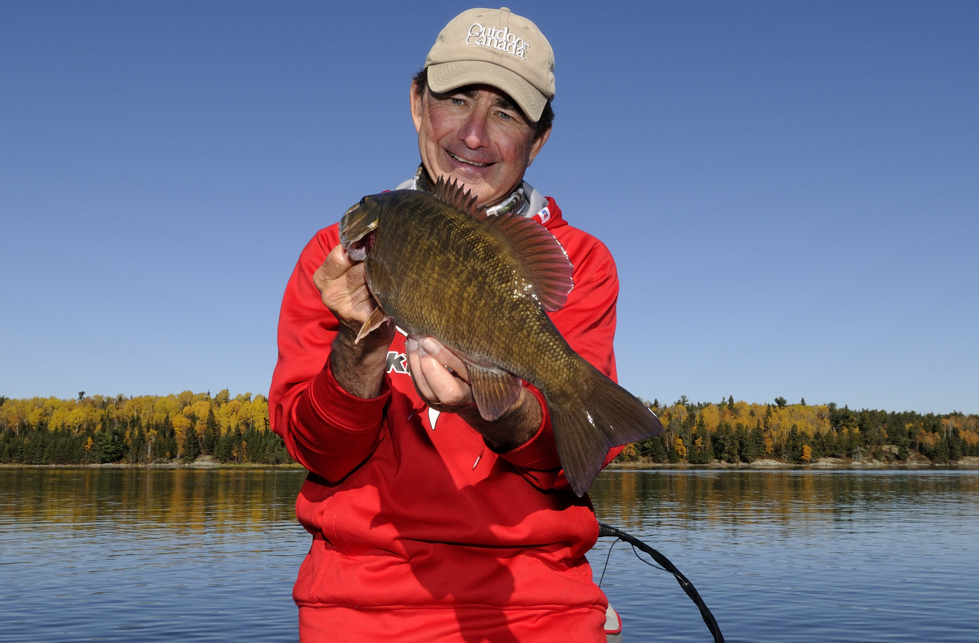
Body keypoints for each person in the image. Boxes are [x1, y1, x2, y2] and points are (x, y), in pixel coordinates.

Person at [270, 8, 624, 641]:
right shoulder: (336, 256)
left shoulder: (582, 264)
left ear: (539, 140)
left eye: (507, 113)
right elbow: (317, 452)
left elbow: (566, 471)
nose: (474, 135)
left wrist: (497, 407)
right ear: (416, 104)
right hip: (363, 606)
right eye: (457, 99)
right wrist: (360, 346)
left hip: (535, 606)